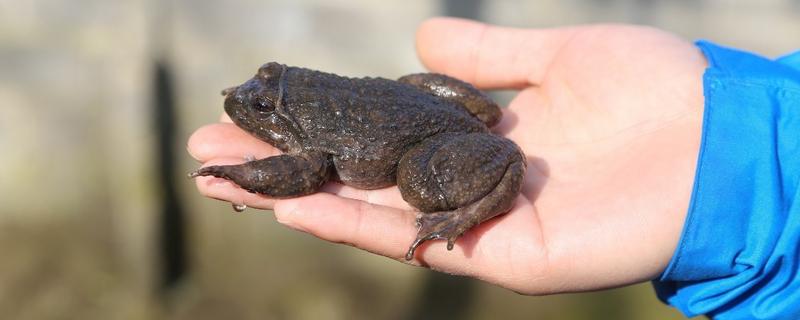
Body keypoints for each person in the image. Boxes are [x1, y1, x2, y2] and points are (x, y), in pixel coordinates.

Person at [188, 17, 799, 319]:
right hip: (432, 112)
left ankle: (476, 200)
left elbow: (306, 172)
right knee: (411, 87)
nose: (244, 98)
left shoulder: (310, 141)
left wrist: (242, 175)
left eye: (262, 102)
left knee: (418, 186)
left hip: (426, 145)